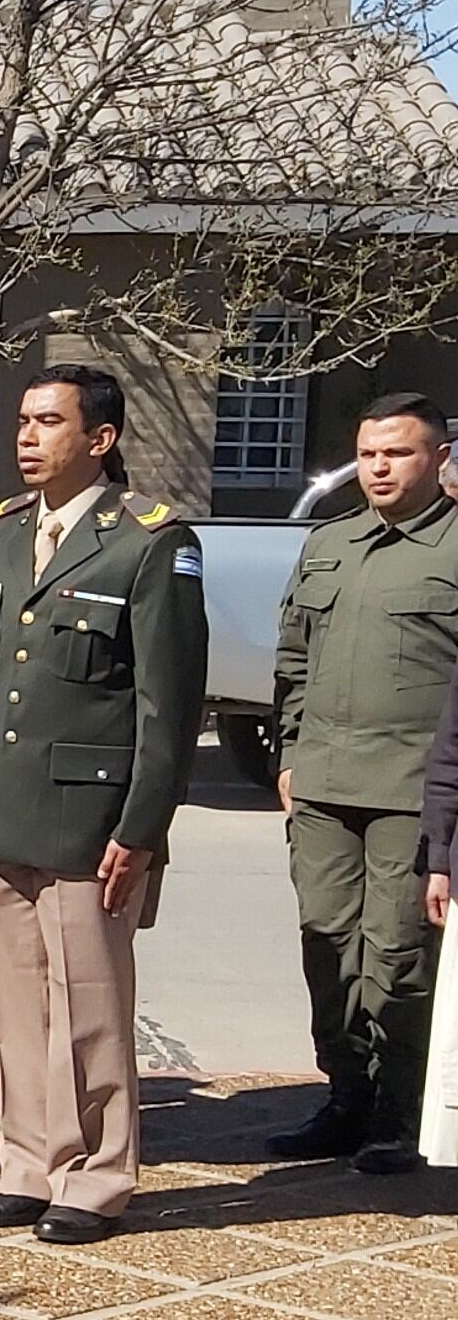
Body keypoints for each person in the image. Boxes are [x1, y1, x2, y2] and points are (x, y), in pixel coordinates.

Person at [0, 366, 207, 1243]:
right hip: (3, 812)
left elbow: (166, 708)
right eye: (22, 420)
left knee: (89, 1004)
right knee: (10, 1001)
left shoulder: (147, 541)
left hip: (91, 822)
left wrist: (141, 830)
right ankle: (29, 1160)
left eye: (48, 421)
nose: (26, 436)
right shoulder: (1, 536)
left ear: (98, 439)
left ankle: (98, 1174)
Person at [270, 392, 457, 1177]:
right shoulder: (329, 542)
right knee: (327, 946)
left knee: (398, 956)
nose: (379, 467)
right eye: (369, 453)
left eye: (400, 452)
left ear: (439, 459)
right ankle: (345, 1094)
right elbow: (294, 655)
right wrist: (288, 751)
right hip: (322, 782)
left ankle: (397, 1108)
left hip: (409, 790)